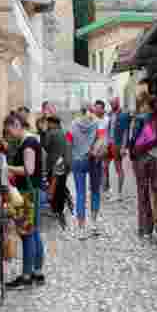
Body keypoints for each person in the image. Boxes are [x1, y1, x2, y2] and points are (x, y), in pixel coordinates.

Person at [125, 88, 157, 242]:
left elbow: (132, 141)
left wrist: (133, 155)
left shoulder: (139, 119)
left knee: (143, 193)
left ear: (147, 105)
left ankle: (146, 230)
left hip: (142, 160)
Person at [4, 112, 45, 288]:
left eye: (9, 131)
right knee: (33, 233)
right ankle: (37, 273)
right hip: (31, 192)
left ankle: (26, 277)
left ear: (16, 125)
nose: (9, 135)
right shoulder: (30, 141)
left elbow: (28, 169)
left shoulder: (28, 143)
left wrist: (8, 168)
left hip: (27, 194)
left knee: (27, 235)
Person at [70, 104, 106, 233]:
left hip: (77, 161)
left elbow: (68, 141)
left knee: (80, 194)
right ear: (91, 111)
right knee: (95, 191)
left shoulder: (73, 124)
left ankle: (81, 228)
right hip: (93, 160)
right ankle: (94, 223)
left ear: (80, 111)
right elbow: (102, 139)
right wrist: (94, 150)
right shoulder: (97, 123)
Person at [43, 115, 72, 230]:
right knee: (61, 186)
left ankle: (55, 209)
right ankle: (60, 209)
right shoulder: (65, 132)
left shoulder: (51, 133)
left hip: (54, 164)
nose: (48, 125)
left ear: (52, 123)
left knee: (54, 186)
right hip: (64, 163)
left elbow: (45, 146)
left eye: (48, 123)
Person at [104, 96, 132, 199]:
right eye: (111, 103)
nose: (112, 105)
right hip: (109, 143)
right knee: (105, 166)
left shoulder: (123, 115)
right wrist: (106, 142)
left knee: (118, 168)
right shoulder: (110, 114)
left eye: (114, 103)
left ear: (118, 103)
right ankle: (107, 189)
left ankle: (119, 193)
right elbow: (107, 129)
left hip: (118, 144)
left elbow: (125, 132)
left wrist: (124, 147)